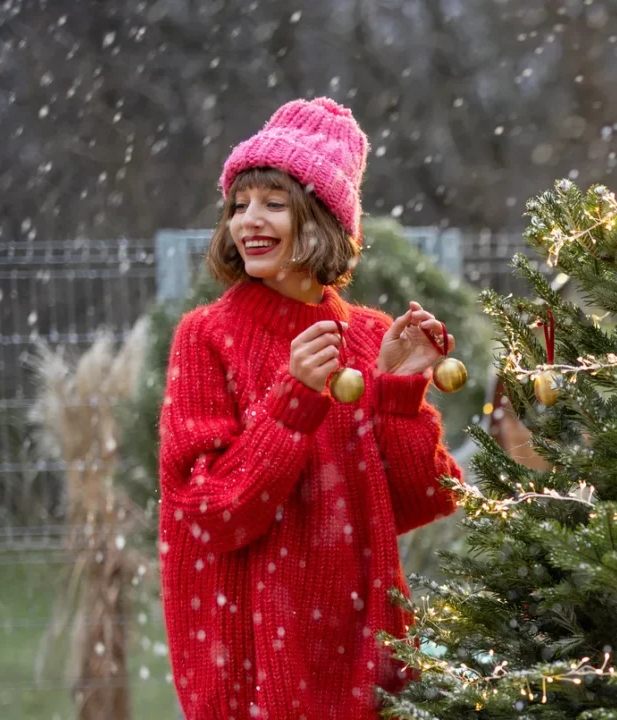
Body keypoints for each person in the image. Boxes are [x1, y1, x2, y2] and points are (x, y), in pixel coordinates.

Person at [157, 97, 462, 720]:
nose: (248, 221)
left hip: (365, 659)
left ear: (321, 219)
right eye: (239, 204)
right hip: (252, 671)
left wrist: (400, 390)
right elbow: (211, 513)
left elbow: (415, 501)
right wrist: (293, 402)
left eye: (273, 202)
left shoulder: (373, 335)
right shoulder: (207, 335)